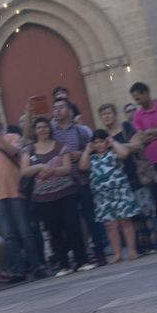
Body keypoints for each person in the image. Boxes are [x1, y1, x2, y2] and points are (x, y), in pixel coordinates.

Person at [0, 107, 44, 280]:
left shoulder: (13, 137)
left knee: (25, 231)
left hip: (16, 190)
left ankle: (36, 266)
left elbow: (12, 152)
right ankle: (18, 269)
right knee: (8, 235)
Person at [23, 117, 93, 276]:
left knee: (73, 227)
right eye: (39, 127)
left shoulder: (61, 147)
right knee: (53, 231)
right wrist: (40, 166)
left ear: (50, 129)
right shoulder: (29, 150)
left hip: (65, 192)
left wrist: (53, 171)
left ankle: (82, 261)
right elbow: (24, 171)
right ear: (35, 130)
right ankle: (63, 265)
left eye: (45, 127)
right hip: (43, 197)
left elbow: (67, 168)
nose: (42, 130)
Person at [50, 97, 107, 266]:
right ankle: (80, 254)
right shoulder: (52, 132)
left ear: (69, 111)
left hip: (82, 180)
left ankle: (99, 251)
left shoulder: (81, 131)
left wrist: (81, 154)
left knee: (91, 218)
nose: (57, 110)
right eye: (55, 108)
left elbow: (94, 149)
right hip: (63, 183)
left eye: (61, 107)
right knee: (71, 223)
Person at [98, 103, 157, 255]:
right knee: (131, 214)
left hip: (134, 172)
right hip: (117, 179)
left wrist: (118, 145)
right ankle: (139, 245)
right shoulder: (102, 136)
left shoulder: (125, 127)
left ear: (115, 114)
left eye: (109, 113)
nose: (107, 116)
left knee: (145, 209)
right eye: (103, 114)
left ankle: (152, 242)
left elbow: (137, 145)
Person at [79, 130, 140, 263]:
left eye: (101, 141)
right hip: (103, 196)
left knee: (125, 221)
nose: (99, 145)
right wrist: (87, 150)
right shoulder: (92, 158)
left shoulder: (113, 153)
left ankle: (131, 250)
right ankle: (117, 253)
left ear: (106, 141)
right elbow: (83, 166)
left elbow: (125, 153)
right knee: (110, 225)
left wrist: (113, 142)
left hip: (120, 192)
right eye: (95, 143)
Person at [130, 82, 157, 245]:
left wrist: (153, 132)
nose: (138, 101)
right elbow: (141, 137)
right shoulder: (138, 115)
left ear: (146, 93)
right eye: (135, 99)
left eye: (139, 97)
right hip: (152, 162)